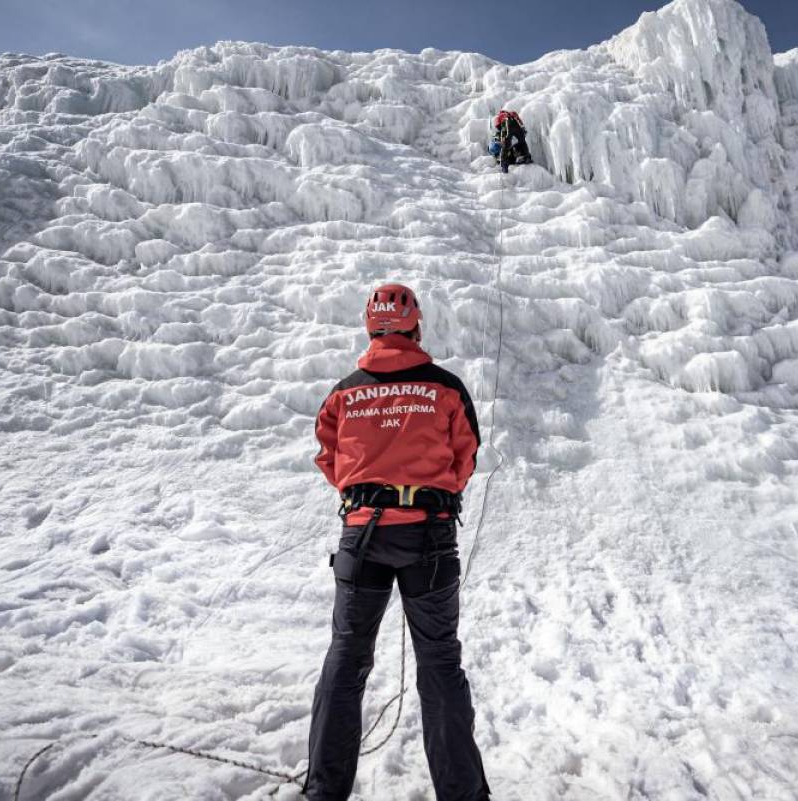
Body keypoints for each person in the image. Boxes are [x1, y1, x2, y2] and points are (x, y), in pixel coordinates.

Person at [305, 283, 491, 801]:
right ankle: (464, 795)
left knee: (346, 658)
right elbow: (465, 458)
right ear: (416, 327)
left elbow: (328, 456)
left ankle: (323, 792)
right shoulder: (445, 388)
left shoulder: (345, 391)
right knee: (439, 664)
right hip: (428, 538)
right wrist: (427, 489)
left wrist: (366, 491)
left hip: (361, 536)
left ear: (370, 328)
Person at [490, 108, 532, 173]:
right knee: (522, 141)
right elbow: (520, 121)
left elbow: (499, 126)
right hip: (517, 126)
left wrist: (502, 137)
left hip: (507, 124)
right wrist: (523, 130)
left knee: (505, 146)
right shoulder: (512, 113)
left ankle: (504, 167)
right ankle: (527, 157)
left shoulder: (500, 116)